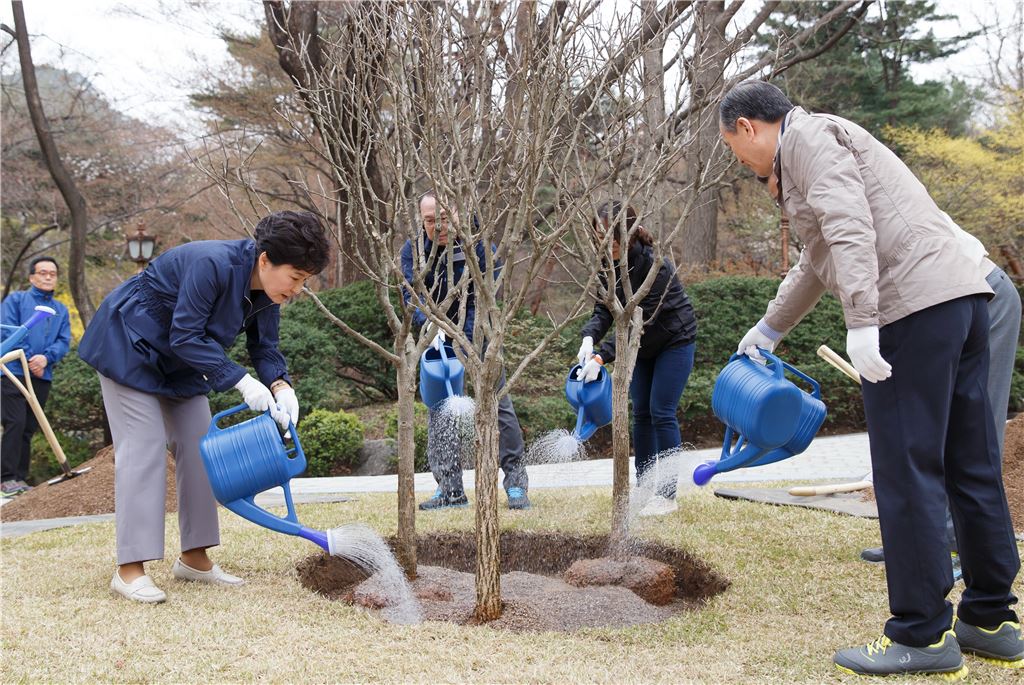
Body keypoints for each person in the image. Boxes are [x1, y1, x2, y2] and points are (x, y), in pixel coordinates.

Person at [719, 80, 1020, 677]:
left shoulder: (807, 141)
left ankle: (922, 635)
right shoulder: (823, 141)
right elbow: (817, 257)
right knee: (971, 461)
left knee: (906, 470)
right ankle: (992, 619)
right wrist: (769, 329)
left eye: (734, 148)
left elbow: (850, 227)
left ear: (749, 126)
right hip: (961, 299)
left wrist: (862, 321)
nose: (740, 161)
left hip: (909, 308)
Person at [78, 211, 330, 604]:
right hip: (128, 348)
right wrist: (243, 382)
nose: (297, 289)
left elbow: (264, 347)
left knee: (202, 449)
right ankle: (130, 570)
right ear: (265, 259)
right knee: (144, 447)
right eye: (295, 278)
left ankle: (194, 559)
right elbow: (186, 335)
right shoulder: (210, 263)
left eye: (303, 281)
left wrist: (280, 385)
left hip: (183, 363)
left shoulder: (268, 293)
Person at [400, 191, 530, 511]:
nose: (438, 226)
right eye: (430, 221)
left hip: (481, 333)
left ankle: (515, 484)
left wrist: (463, 332)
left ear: (456, 214)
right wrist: (431, 328)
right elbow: (410, 295)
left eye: (444, 219)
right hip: (438, 337)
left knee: (498, 403)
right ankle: (450, 490)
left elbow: (487, 294)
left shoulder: (480, 246)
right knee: (440, 407)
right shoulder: (413, 250)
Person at [575, 201, 697, 517]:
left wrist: (602, 357)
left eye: (613, 240)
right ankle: (644, 487)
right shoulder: (605, 265)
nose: (607, 246)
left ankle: (666, 495)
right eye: (600, 239)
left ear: (628, 235)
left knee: (661, 410)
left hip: (673, 339)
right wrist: (589, 338)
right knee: (641, 412)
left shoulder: (656, 267)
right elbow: (605, 309)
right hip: (642, 347)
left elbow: (643, 322)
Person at [1, 256, 72, 496]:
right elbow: (7, 329)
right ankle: (6, 478)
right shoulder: (16, 300)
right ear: (32, 277)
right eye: (43, 272)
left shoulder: (61, 310)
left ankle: (20, 479)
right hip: (12, 371)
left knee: (29, 427)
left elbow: (64, 341)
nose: (48, 277)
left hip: (42, 375)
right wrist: (30, 357)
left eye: (52, 273)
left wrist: (46, 358)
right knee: (15, 422)